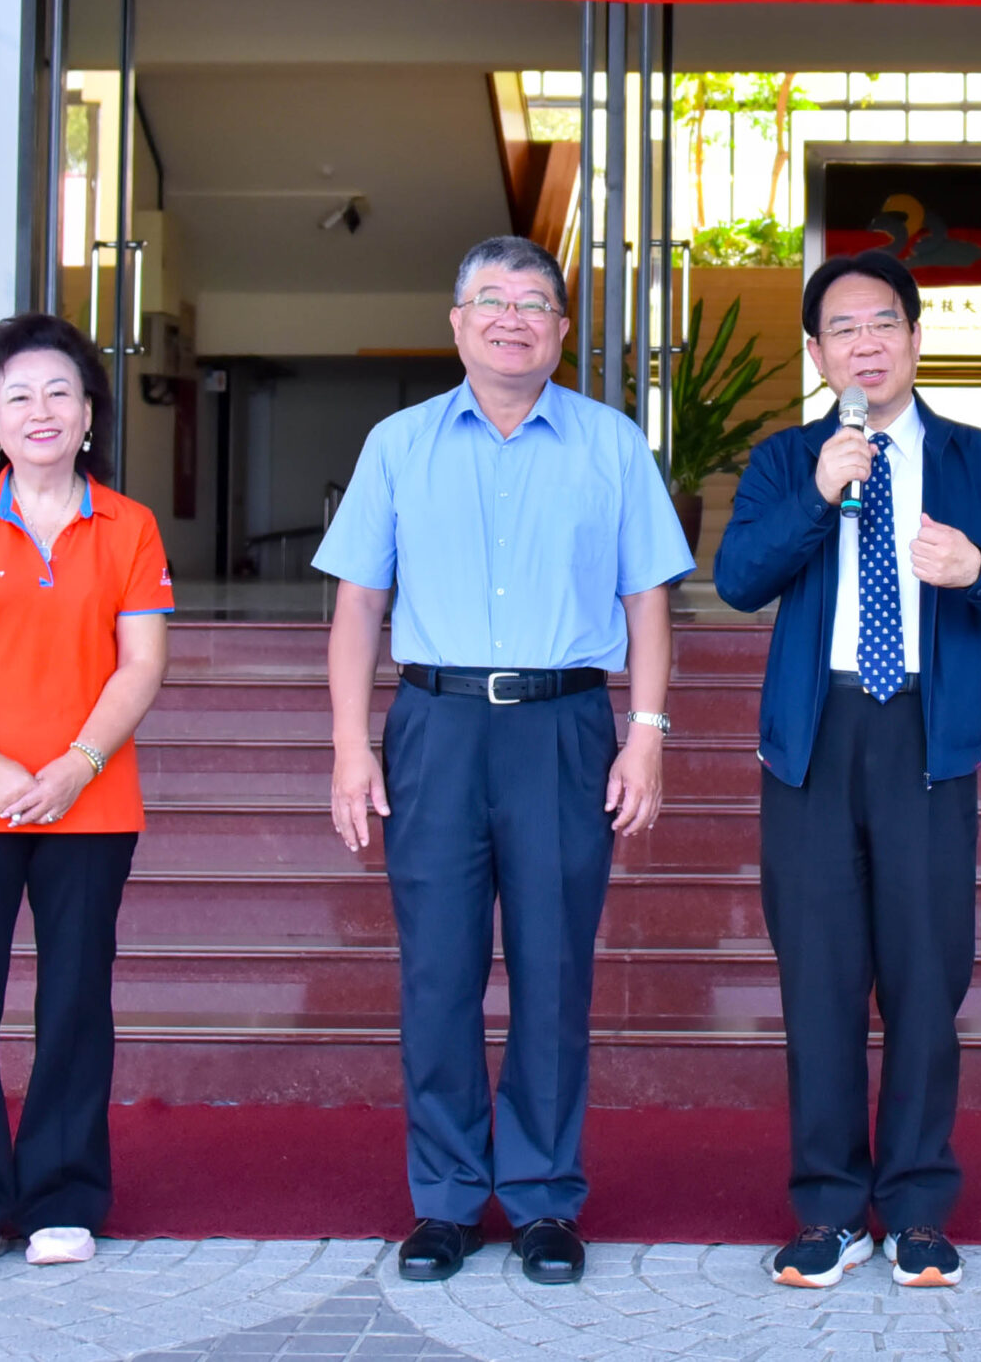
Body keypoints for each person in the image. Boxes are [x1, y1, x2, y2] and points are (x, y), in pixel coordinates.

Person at [315, 235, 690, 1288]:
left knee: (554, 970)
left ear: (561, 330)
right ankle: (444, 1199)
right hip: (435, 727)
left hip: (562, 728)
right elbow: (358, 605)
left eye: (533, 302)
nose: (511, 318)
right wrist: (350, 746)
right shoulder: (399, 443)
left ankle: (542, 1198)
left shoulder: (610, 444)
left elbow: (647, 601)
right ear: (457, 322)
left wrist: (646, 733)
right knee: (437, 971)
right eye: (491, 299)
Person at [715, 249, 981, 1291]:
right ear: (818, 353)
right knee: (818, 980)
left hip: (925, 736)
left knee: (924, 977)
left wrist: (976, 569)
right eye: (842, 329)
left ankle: (915, 1209)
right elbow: (737, 580)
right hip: (814, 740)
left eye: (882, 324)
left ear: (915, 337)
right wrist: (819, 495)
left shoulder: (977, 458)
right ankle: (828, 1211)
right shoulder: (787, 459)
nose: (864, 344)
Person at [0, 313, 173, 1273]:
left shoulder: (129, 526)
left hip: (89, 801)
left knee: (76, 997)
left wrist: (77, 764)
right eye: (18, 396)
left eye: (60, 392)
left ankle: (62, 1195)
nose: (40, 410)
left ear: (89, 413)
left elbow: (141, 664)